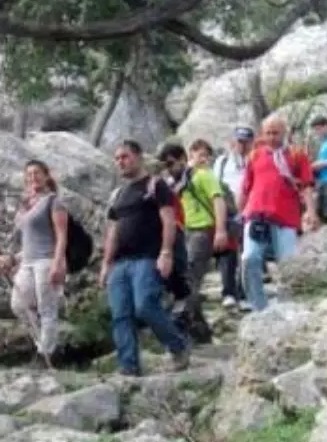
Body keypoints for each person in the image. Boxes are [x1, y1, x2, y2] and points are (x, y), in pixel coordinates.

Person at [100, 140, 191, 376]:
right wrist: (106, 263)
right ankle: (128, 365)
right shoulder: (117, 194)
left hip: (148, 258)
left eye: (125, 156)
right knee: (120, 314)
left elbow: (169, 220)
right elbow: (112, 231)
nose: (121, 161)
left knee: (145, 307)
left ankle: (178, 347)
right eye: (117, 158)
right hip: (120, 263)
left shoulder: (155, 185)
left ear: (138, 156)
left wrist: (166, 252)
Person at [240, 115, 318, 312]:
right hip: (256, 215)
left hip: (286, 218)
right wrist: (241, 214)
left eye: (276, 133)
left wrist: (311, 211)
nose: (272, 137)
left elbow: (307, 185)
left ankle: (287, 307)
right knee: (249, 259)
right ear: (262, 133)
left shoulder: (296, 155)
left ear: (284, 133)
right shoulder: (255, 156)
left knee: (287, 264)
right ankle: (259, 307)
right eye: (268, 133)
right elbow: (245, 188)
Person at [157, 140, 228, 345]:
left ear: (183, 159)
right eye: (165, 166)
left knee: (190, 281)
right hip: (183, 233)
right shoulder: (173, 184)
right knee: (186, 283)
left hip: (201, 232)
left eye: (172, 163)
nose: (169, 169)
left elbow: (218, 200)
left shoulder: (202, 176)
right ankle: (201, 332)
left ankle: (185, 330)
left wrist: (221, 230)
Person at [5, 159, 68, 369]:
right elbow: (25, 238)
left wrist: (58, 263)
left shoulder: (53, 202)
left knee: (46, 307)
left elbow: (61, 236)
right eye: (29, 174)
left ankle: (45, 354)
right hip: (28, 261)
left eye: (37, 173)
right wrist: (14, 257)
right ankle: (44, 344)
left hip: (47, 259)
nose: (33, 177)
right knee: (18, 304)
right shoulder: (26, 205)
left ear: (46, 175)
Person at [212, 127, 254, 309]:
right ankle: (228, 291)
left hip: (251, 211)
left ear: (251, 143)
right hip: (228, 212)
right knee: (227, 255)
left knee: (248, 254)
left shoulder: (256, 160)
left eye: (245, 141)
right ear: (232, 142)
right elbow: (215, 187)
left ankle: (244, 293)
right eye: (239, 141)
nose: (241, 146)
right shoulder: (221, 162)